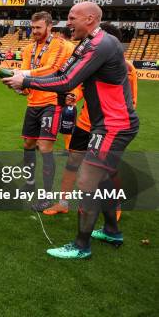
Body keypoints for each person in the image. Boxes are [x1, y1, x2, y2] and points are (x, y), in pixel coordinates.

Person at [3, 2, 139, 259]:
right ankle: (111, 230)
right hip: (103, 123)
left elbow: (67, 81)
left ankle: (81, 245)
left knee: (88, 180)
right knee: (105, 180)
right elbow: (61, 73)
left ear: (90, 19)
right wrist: (27, 84)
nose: (68, 23)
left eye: (72, 17)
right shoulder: (87, 44)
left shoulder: (102, 44)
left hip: (114, 124)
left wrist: (27, 80)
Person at [43, 22, 138, 217]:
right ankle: (62, 203)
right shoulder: (90, 61)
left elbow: (130, 103)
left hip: (107, 128)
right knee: (72, 163)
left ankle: (114, 207)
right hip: (85, 124)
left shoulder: (125, 69)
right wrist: (73, 97)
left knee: (105, 170)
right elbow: (79, 87)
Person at [16, 11, 74, 212]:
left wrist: (22, 76)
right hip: (33, 103)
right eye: (32, 28)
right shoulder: (27, 50)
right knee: (28, 143)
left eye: (38, 28)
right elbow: (25, 80)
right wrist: (19, 86)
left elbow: (53, 70)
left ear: (49, 27)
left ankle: (47, 196)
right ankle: (30, 183)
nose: (34, 32)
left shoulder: (59, 44)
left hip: (52, 101)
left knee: (44, 146)